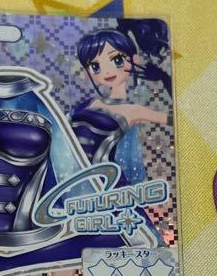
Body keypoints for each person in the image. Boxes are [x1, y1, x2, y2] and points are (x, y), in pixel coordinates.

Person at [72, 22, 171, 186]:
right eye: (95, 66)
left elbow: (178, 121)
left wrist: (164, 78)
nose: (107, 71)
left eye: (117, 60)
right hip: (73, 182)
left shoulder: (134, 111)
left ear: (134, 60)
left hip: (107, 185)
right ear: (87, 71)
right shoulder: (87, 104)